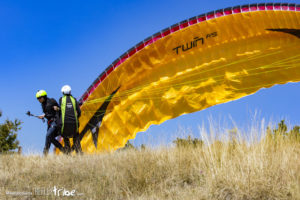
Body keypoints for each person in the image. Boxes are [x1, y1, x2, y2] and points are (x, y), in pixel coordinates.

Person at [36, 90, 65, 155]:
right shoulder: (42, 105)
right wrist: (43, 116)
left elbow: (60, 109)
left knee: (48, 135)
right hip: (49, 123)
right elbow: (48, 113)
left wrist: (57, 108)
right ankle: (64, 150)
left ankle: (45, 153)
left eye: (40, 98)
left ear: (44, 96)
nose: (39, 100)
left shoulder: (52, 101)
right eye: (37, 99)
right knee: (50, 138)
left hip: (55, 122)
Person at [58, 85, 82, 154]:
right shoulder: (74, 99)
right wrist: (76, 118)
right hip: (74, 124)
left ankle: (68, 153)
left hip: (64, 124)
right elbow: (79, 112)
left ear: (62, 92)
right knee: (76, 136)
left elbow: (61, 111)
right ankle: (79, 153)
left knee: (65, 137)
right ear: (70, 91)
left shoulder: (61, 100)